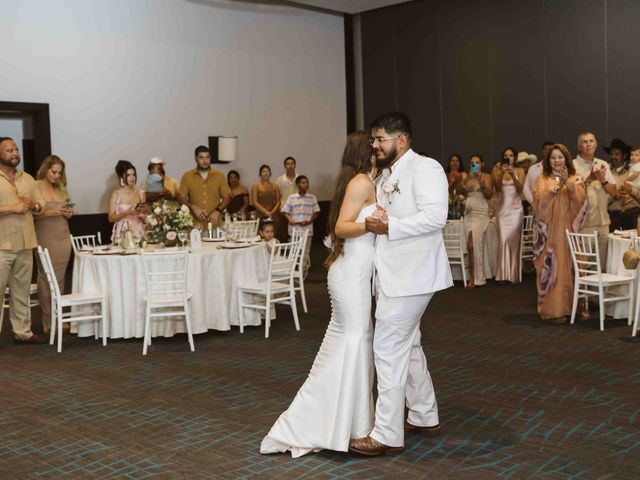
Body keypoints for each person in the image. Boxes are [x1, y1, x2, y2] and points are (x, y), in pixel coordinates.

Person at [260, 130, 376, 457]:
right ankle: (345, 426)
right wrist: (375, 224)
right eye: (375, 145)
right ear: (366, 151)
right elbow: (341, 227)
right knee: (354, 343)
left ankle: (348, 424)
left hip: (350, 272)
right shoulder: (361, 183)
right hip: (351, 275)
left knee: (349, 345)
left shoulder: (354, 180)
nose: (380, 148)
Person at [350, 112, 452, 456]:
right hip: (393, 273)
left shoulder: (426, 168)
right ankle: (424, 414)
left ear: (401, 140)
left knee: (388, 349)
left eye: (380, 139)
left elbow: (435, 216)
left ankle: (386, 434)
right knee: (409, 345)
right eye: (374, 140)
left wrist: (390, 226)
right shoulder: (385, 175)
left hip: (413, 275)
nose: (374, 146)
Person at [533, 144, 587, 323]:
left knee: (570, 267)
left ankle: (573, 308)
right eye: (553, 158)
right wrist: (557, 186)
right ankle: (554, 310)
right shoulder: (542, 179)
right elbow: (539, 203)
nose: (557, 161)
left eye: (560, 157)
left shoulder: (576, 177)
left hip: (570, 232)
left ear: (566, 159)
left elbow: (582, 201)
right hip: (550, 234)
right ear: (548, 161)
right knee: (553, 269)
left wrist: (569, 184)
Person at [0, 137, 46, 344]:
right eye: (9, 150)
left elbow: (41, 206)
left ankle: (22, 332)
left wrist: (34, 204)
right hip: (2, 245)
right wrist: (13, 208)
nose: (15, 153)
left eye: (16, 149)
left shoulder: (27, 178)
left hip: (26, 243)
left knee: (21, 291)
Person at [33, 155, 74, 334]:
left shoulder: (61, 188)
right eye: (53, 171)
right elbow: (32, 214)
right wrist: (51, 212)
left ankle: (59, 318)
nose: (56, 176)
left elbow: (67, 209)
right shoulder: (35, 186)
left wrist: (68, 212)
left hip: (63, 234)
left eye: (59, 172)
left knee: (60, 278)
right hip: (45, 234)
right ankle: (47, 320)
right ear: (46, 169)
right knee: (45, 277)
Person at [572, 132, 616, 268]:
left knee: (601, 267)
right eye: (584, 142)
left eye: (591, 141)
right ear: (579, 146)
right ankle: (581, 290)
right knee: (583, 267)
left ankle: (599, 290)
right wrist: (589, 179)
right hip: (584, 224)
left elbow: (613, 192)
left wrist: (602, 179)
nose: (588, 144)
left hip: (603, 223)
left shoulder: (603, 164)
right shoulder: (571, 166)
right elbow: (565, 191)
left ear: (596, 144)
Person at [460, 154, 494, 288]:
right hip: (468, 214)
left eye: (477, 162)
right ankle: (471, 275)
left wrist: (480, 181)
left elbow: (489, 195)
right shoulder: (466, 176)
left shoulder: (487, 177)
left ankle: (475, 278)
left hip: (481, 213)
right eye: (472, 163)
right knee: (469, 245)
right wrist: (466, 181)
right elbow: (459, 192)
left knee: (473, 244)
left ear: (482, 164)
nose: (475, 165)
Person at [492, 147, 525, 283]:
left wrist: (512, 175)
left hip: (516, 210)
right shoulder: (496, 170)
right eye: (506, 155)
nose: (509, 157)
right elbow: (498, 188)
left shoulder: (520, 170)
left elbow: (520, 189)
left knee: (513, 241)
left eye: (511, 155)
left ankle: (512, 275)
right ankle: (502, 275)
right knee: (503, 240)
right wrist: (501, 174)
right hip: (502, 210)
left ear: (515, 158)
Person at [177, 146, 230, 228]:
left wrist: (218, 211)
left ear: (210, 158)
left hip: (215, 225)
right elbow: (181, 198)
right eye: (201, 158)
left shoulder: (220, 176)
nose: (205, 161)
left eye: (207, 157)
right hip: (194, 225)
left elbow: (227, 198)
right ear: (196, 159)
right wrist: (192, 206)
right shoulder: (187, 176)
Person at [281, 175, 320, 273]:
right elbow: (285, 211)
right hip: (294, 230)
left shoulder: (312, 197)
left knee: (305, 253)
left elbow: (316, 212)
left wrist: (309, 220)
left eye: (307, 182)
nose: (306, 185)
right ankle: (292, 272)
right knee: (294, 252)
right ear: (297, 185)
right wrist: (289, 219)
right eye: (303, 183)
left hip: (307, 230)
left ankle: (301, 274)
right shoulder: (292, 197)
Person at [108, 161, 146, 244]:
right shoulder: (117, 194)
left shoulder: (141, 193)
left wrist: (143, 215)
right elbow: (111, 218)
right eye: (128, 175)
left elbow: (145, 214)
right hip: (123, 231)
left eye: (134, 174)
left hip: (138, 230)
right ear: (121, 177)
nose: (132, 178)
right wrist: (127, 212)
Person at [604, 138, 637, 231]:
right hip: (612, 218)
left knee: (634, 245)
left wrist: (631, 190)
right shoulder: (604, 173)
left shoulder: (634, 172)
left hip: (632, 216)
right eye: (611, 154)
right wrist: (614, 196)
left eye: (617, 154)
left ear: (625, 155)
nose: (613, 156)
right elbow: (600, 200)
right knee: (613, 244)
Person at [523, 141, 554, 206]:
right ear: (542, 151)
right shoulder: (533, 168)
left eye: (550, 149)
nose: (547, 151)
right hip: (535, 206)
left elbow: (557, 187)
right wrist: (532, 202)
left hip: (553, 206)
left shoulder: (557, 169)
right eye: (545, 149)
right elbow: (526, 187)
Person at [276, 156, 298, 242]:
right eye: (288, 164)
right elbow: (277, 196)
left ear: (295, 165)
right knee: (284, 234)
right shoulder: (280, 179)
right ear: (285, 166)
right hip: (284, 211)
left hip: (297, 210)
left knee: (296, 235)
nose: (290, 166)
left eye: (292, 163)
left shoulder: (299, 178)